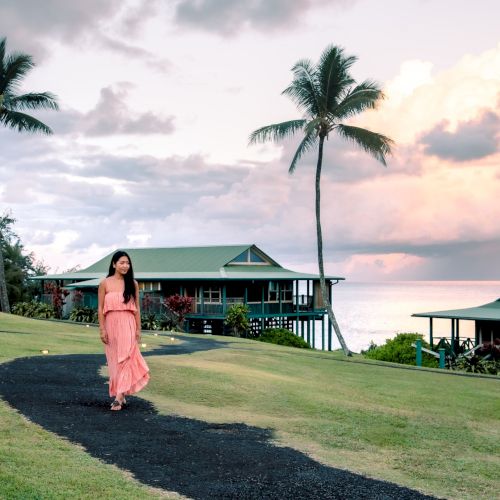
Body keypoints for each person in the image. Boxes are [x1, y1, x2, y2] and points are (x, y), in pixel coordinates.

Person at [98, 250, 150, 411]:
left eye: (127, 263)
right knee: (114, 361)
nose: (125, 266)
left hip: (128, 323)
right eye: (122, 262)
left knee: (125, 359)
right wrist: (102, 329)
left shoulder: (132, 284)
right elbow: (100, 308)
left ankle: (119, 397)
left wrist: (138, 329)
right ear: (114, 264)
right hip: (111, 324)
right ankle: (121, 392)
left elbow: (137, 309)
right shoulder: (105, 283)